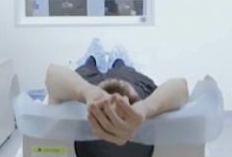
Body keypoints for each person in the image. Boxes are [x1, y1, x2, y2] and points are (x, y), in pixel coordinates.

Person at [45, 56, 188, 146]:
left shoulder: (80, 96)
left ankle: (92, 61)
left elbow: (52, 73)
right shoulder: (147, 99)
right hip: (130, 81)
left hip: (89, 83)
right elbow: (181, 85)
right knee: (122, 65)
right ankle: (118, 62)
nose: (114, 100)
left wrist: (87, 91)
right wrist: (145, 108)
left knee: (88, 64)